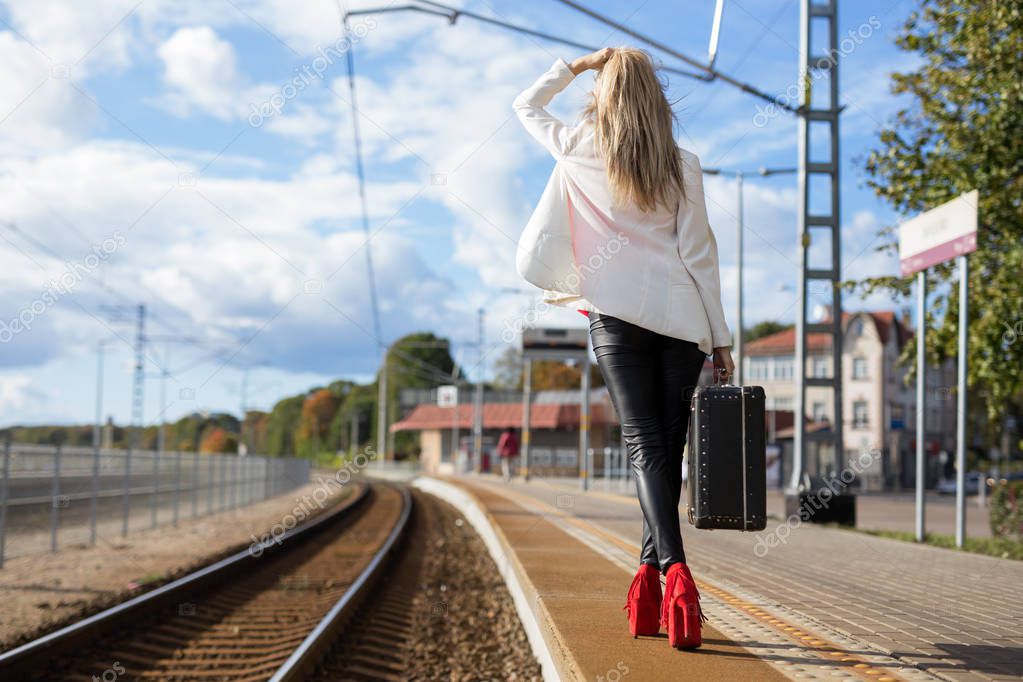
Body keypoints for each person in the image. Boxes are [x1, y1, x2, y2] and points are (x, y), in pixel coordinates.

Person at [513, 47, 734, 650]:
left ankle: (670, 577)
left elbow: (524, 105)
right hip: (682, 322)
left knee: (645, 450)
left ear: (604, 98)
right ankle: (655, 588)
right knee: (664, 453)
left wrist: (577, 65)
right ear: (658, 103)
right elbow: (700, 259)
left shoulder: (580, 145)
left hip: (616, 322)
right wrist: (719, 340)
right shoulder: (683, 166)